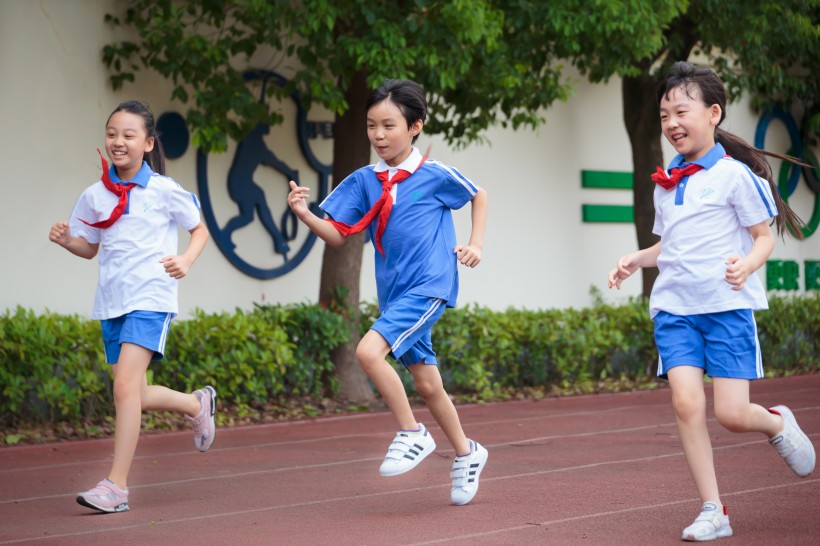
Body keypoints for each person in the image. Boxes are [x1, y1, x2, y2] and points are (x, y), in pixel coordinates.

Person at [608, 62, 815, 541]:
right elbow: (671, 246)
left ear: (713, 113)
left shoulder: (734, 176)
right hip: (675, 309)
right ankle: (713, 509)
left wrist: (747, 264)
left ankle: (777, 423)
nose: (672, 123)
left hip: (725, 309)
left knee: (731, 414)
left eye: (681, 111)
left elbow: (762, 237)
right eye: (664, 116)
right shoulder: (669, 181)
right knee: (685, 403)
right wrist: (637, 259)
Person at [287, 79, 489, 505]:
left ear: (415, 126)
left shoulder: (433, 175)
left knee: (367, 352)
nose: (379, 134)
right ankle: (468, 453)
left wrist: (475, 243)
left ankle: (413, 433)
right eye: (371, 125)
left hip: (430, 286)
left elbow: (478, 194)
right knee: (429, 384)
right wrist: (304, 213)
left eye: (389, 125)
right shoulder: (364, 180)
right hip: (395, 295)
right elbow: (339, 235)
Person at [49, 100, 215, 513]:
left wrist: (186, 260)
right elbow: (90, 247)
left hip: (151, 298)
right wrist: (68, 241)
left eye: (128, 135)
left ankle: (116, 487)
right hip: (111, 303)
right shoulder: (94, 195)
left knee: (123, 388)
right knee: (134, 393)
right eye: (112, 134)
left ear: (148, 143)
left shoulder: (162, 189)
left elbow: (198, 228)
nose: (118, 142)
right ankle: (197, 404)